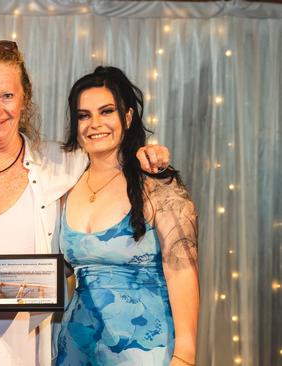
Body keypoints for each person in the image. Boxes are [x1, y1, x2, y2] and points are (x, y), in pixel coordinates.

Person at [0, 41, 170, 366]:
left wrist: (145, 152)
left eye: (7, 96)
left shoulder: (63, 162)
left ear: (24, 98)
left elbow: (109, 155)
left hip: (40, 346)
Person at [55, 66, 199, 366]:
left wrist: (184, 356)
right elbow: (61, 271)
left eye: (106, 111)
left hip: (144, 350)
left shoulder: (158, 183)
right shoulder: (67, 186)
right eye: (83, 115)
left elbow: (182, 271)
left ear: (128, 117)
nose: (94, 124)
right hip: (76, 349)